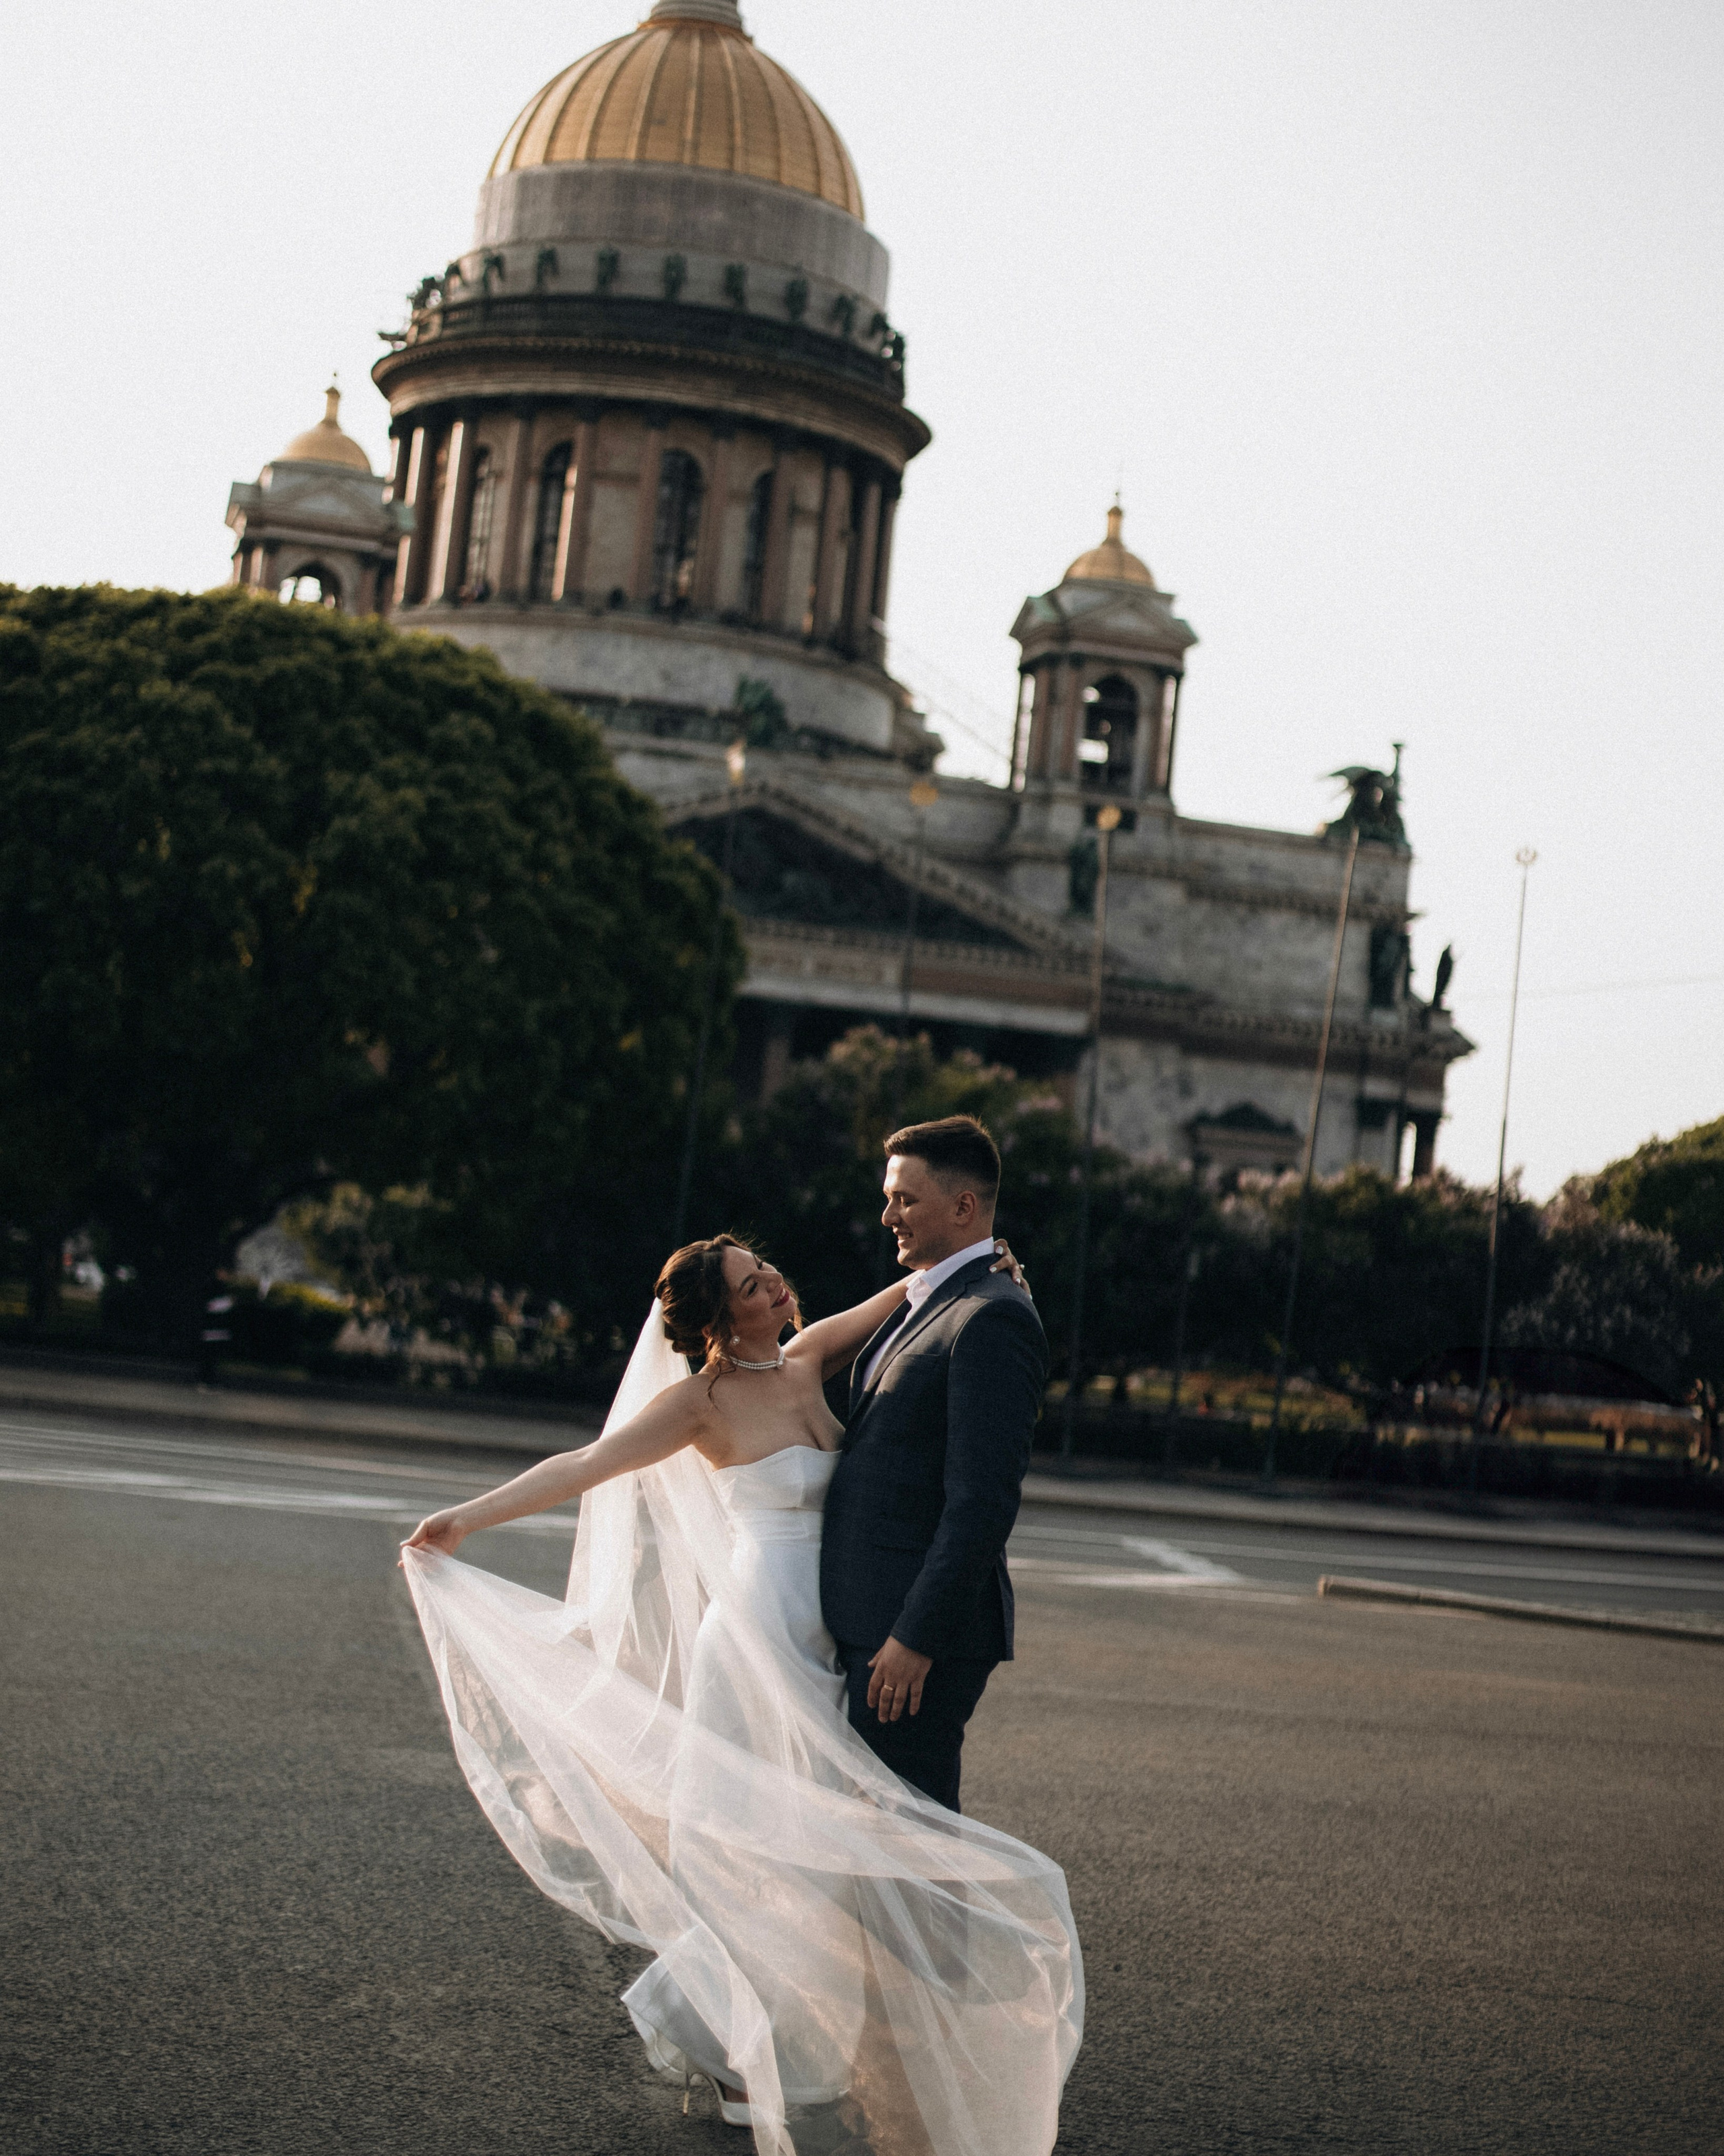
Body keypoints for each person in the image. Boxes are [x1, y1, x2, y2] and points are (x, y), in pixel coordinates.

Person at [399, 1130, 1081, 2155]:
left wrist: (995, 1257)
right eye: (755, 1283)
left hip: (828, 1633)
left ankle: (782, 2031)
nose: (777, 1285)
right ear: (721, 1316)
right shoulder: (700, 1404)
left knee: (810, 1849)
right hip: (757, 1631)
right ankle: (738, 2050)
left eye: (769, 1272)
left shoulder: (809, 1358)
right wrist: (465, 1518)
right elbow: (582, 1466)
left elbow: (910, 1297)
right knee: (749, 1849)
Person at [823, 1116, 1047, 1811]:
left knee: (908, 1850)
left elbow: (980, 1502)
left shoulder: (992, 1317)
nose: (888, 1214)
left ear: (962, 1207)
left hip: (911, 1640)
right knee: (876, 1842)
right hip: (871, 1621)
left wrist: (915, 1637)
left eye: (905, 1200)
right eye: (890, 1197)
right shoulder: (929, 1298)